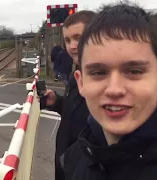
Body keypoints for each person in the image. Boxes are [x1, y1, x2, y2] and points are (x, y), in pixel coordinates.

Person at [61, 3, 157, 179]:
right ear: (80, 82)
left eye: (134, 71)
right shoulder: (74, 158)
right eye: (98, 73)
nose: (114, 89)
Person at [40, 10, 97, 180]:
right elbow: (77, 112)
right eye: (67, 40)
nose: (72, 46)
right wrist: (57, 102)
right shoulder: (77, 74)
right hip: (67, 162)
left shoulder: (104, 82)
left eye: (78, 38)